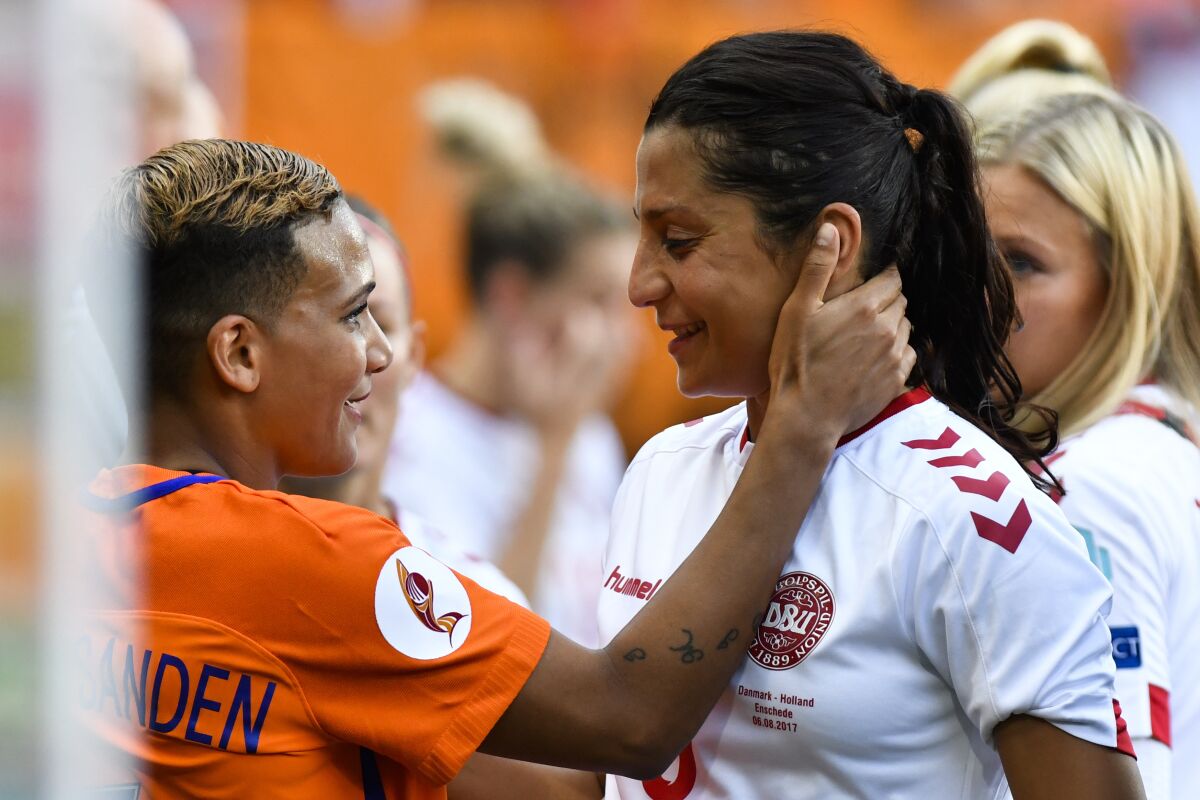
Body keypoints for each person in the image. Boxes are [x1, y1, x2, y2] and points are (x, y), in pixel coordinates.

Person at [76, 137, 912, 798]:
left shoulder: (62, 550)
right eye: (354, 315)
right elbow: (628, 720)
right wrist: (802, 428)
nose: (380, 356)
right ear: (240, 353)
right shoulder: (310, 563)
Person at [597, 30, 1145, 799]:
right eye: (641, 234)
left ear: (832, 243)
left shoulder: (974, 519)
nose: (639, 284)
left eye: (678, 240)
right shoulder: (659, 471)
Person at [952, 21, 1200, 800]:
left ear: (1129, 284)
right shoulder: (1160, 441)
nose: (978, 299)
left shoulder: (1091, 487)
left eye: (1021, 265)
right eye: (968, 260)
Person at [383, 80, 636, 646]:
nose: (625, 340)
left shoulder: (590, 438)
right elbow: (479, 657)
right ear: (512, 296)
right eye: (598, 300)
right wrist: (551, 452)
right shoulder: (408, 437)